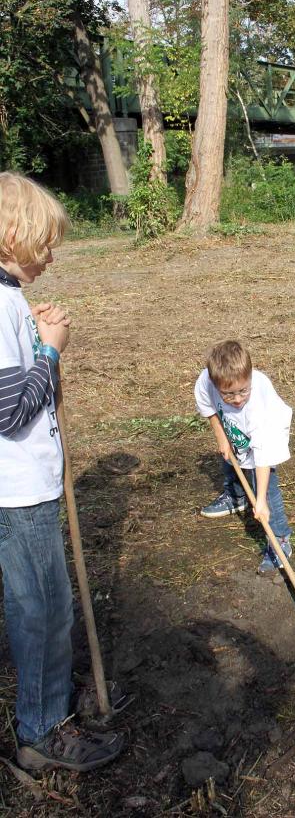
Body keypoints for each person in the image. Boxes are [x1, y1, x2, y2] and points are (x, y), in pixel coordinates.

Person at [0, 172, 124, 771]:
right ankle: (41, 730)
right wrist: (50, 348)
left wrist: (39, 334)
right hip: (16, 493)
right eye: (44, 244)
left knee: (51, 607)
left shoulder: (10, 301)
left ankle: (51, 699)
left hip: (32, 485)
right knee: (42, 610)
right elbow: (7, 409)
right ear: (9, 237)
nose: (51, 256)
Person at [195, 340, 293, 574]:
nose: (237, 399)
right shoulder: (205, 382)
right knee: (231, 456)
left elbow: (261, 456)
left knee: (267, 489)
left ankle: (280, 538)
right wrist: (221, 437)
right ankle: (236, 496)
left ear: (250, 377)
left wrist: (259, 501)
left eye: (242, 391)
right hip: (237, 427)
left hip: (266, 438)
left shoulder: (260, 407)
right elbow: (209, 408)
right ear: (215, 383)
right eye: (228, 394)